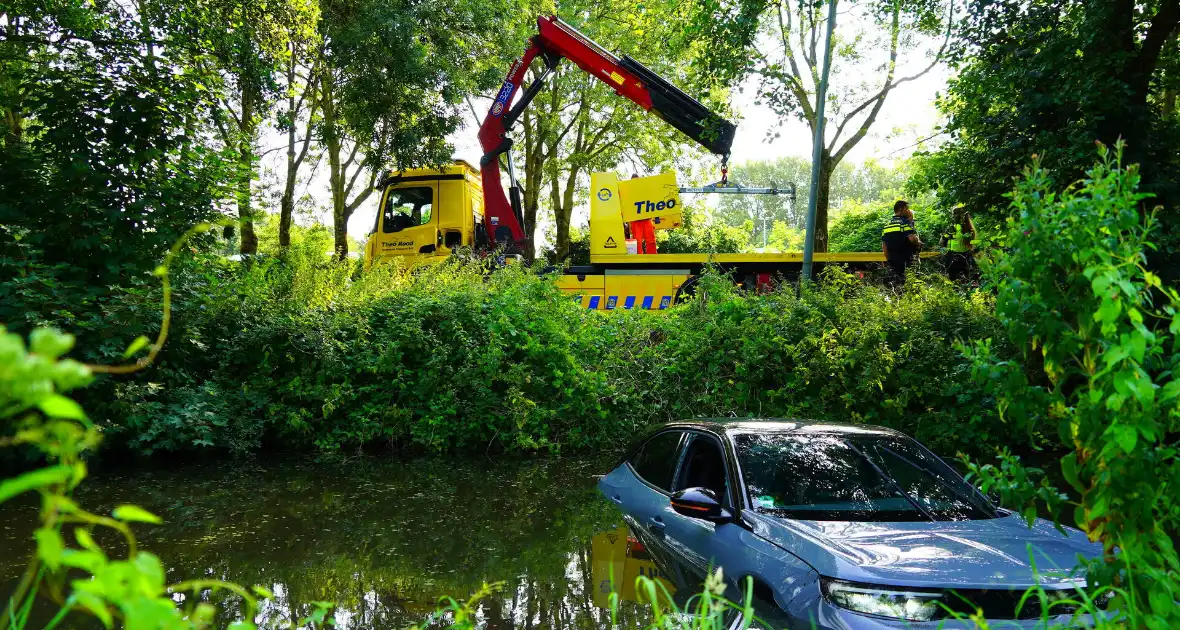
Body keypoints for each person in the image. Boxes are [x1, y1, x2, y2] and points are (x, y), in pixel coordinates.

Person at [881, 200, 921, 286]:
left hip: (893, 260)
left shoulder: (887, 225)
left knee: (896, 284)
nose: (908, 211)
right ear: (901, 209)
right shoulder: (904, 222)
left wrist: (889, 260)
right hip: (907, 260)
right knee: (910, 284)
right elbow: (913, 239)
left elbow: (884, 246)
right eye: (907, 209)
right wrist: (918, 242)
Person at [939, 205, 977, 282]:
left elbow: (941, 242)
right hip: (965, 256)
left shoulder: (954, 227)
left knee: (953, 280)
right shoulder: (969, 228)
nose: (953, 216)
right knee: (966, 280)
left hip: (954, 256)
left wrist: (945, 238)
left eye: (955, 213)